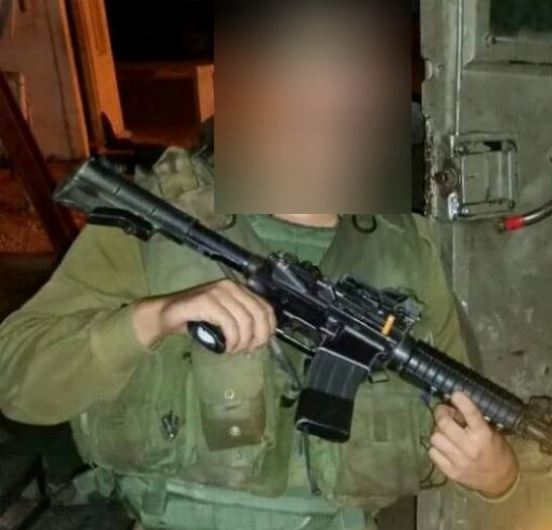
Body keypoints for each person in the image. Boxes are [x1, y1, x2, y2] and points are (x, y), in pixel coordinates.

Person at [0, 3, 518, 529]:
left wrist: (498, 476)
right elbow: (17, 380)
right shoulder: (157, 223)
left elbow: (476, 415)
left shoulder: (407, 252)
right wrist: (155, 317)